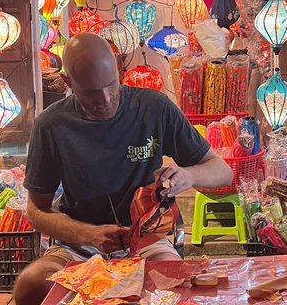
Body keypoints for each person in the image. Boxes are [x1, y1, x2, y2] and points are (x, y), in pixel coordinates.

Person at [13, 33, 233, 305]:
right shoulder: (51, 125)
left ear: (119, 70)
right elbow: (36, 212)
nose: (104, 99)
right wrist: (88, 234)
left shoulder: (154, 107)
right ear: (68, 83)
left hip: (147, 241)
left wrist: (188, 175)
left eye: (111, 85)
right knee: (30, 285)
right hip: (79, 244)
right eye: (90, 92)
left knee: (173, 289)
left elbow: (222, 170)